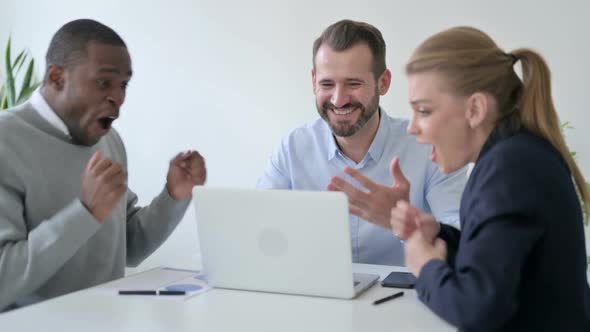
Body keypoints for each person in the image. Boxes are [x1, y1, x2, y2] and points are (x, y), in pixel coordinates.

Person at [390, 26, 590, 330]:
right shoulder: (514, 155)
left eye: (424, 111)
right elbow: (502, 260)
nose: (412, 127)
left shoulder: (509, 169)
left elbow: (477, 310)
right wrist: (440, 235)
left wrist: (426, 266)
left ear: (475, 109)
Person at [0, 19, 206, 311]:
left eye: (123, 85)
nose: (118, 98)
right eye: (103, 82)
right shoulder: (6, 141)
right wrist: (84, 212)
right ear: (57, 77)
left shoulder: (108, 141)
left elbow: (130, 246)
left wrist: (174, 196)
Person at [257, 19, 466, 266]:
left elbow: (463, 238)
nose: (339, 99)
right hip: (315, 295)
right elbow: (259, 230)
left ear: (383, 82)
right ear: (314, 81)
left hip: (408, 298)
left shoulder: (429, 147)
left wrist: (404, 225)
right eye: (327, 84)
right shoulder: (293, 148)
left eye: (353, 84)